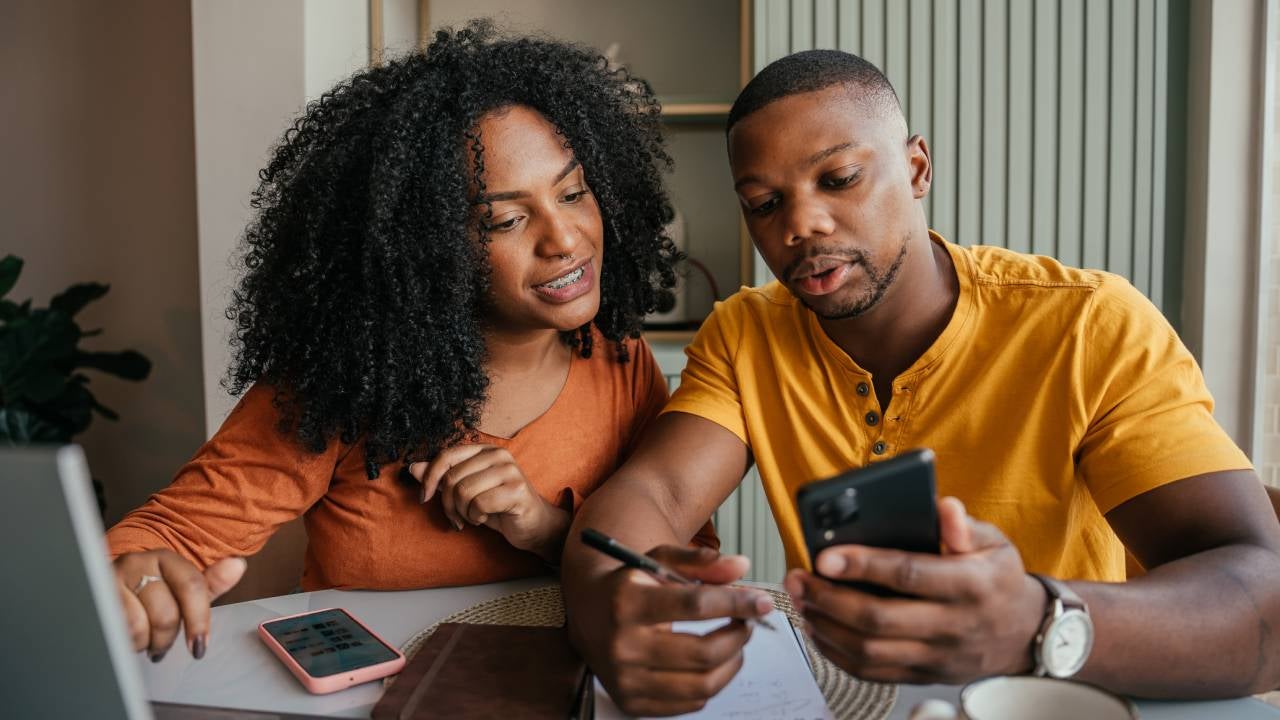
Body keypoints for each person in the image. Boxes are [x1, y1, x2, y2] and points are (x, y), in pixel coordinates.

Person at [562, 49, 1280, 716]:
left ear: (916, 169)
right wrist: (618, 608)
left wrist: (1034, 620)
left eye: (838, 179)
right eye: (764, 203)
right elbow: (650, 496)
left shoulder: (1090, 324)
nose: (801, 225)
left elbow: (1264, 600)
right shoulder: (746, 332)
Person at [105, 21, 715, 664]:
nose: (565, 239)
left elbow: (685, 566)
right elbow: (165, 534)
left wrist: (543, 528)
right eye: (506, 219)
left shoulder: (619, 358)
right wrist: (136, 576)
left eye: (573, 192)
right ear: (426, 245)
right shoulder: (344, 381)